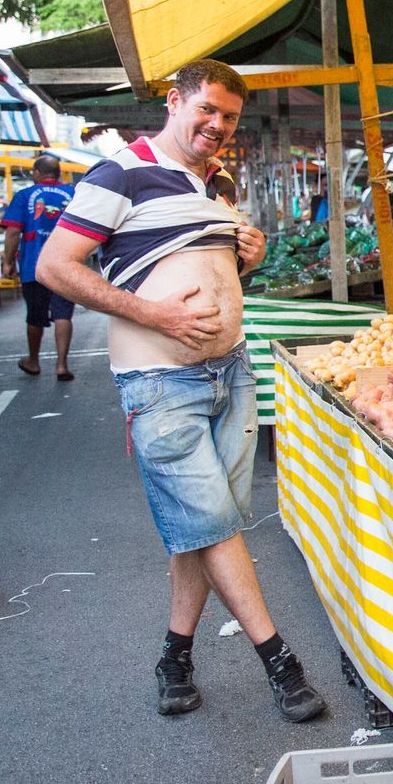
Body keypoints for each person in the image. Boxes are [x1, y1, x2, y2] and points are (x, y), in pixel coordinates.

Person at [36, 59, 325, 722]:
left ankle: (175, 656)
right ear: (174, 101)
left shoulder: (218, 183)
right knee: (213, 524)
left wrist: (244, 259)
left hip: (230, 371)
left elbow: (201, 269)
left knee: (202, 527)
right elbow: (56, 264)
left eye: (229, 117)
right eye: (208, 110)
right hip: (159, 377)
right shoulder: (119, 174)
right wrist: (156, 314)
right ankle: (281, 661)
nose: (218, 126)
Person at [0, 153, 77, 380]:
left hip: (34, 264)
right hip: (67, 263)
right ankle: (62, 365)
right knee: (63, 313)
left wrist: (7, 261)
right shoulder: (73, 194)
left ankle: (33, 361)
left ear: (37, 172)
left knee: (35, 315)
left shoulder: (25, 195)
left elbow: (13, 232)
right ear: (58, 173)